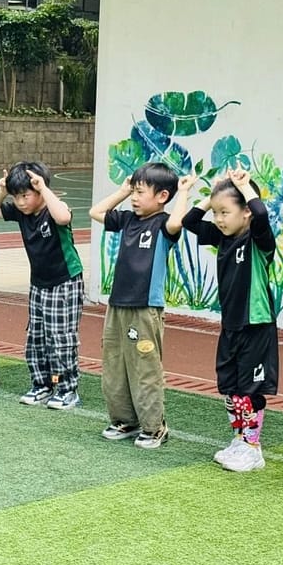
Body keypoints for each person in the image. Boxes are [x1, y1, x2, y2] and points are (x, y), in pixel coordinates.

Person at [180, 168, 278, 472]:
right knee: (231, 387)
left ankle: (253, 448)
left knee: (250, 389)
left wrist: (244, 187)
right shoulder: (222, 238)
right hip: (231, 325)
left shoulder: (258, 240)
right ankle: (239, 439)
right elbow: (189, 221)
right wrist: (213, 196)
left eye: (225, 212)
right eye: (216, 212)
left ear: (245, 212)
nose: (219, 219)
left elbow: (261, 215)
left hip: (256, 325)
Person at [88, 163, 185, 448]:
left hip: (145, 307)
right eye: (134, 191)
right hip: (117, 304)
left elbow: (177, 223)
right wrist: (122, 191)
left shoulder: (163, 224)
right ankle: (125, 420)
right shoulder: (128, 220)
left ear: (162, 196)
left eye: (140, 192)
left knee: (144, 367)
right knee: (115, 365)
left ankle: (154, 428)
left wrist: (184, 192)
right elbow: (96, 212)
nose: (134, 198)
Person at [0, 161, 84, 409]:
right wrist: (3, 189)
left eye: (25, 195)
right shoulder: (21, 212)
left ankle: (67, 389)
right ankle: (42, 385)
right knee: (36, 336)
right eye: (16, 197)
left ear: (39, 190)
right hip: (38, 283)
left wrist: (43, 188)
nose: (20, 202)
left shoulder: (54, 208)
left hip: (65, 281)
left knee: (61, 338)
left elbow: (63, 217)